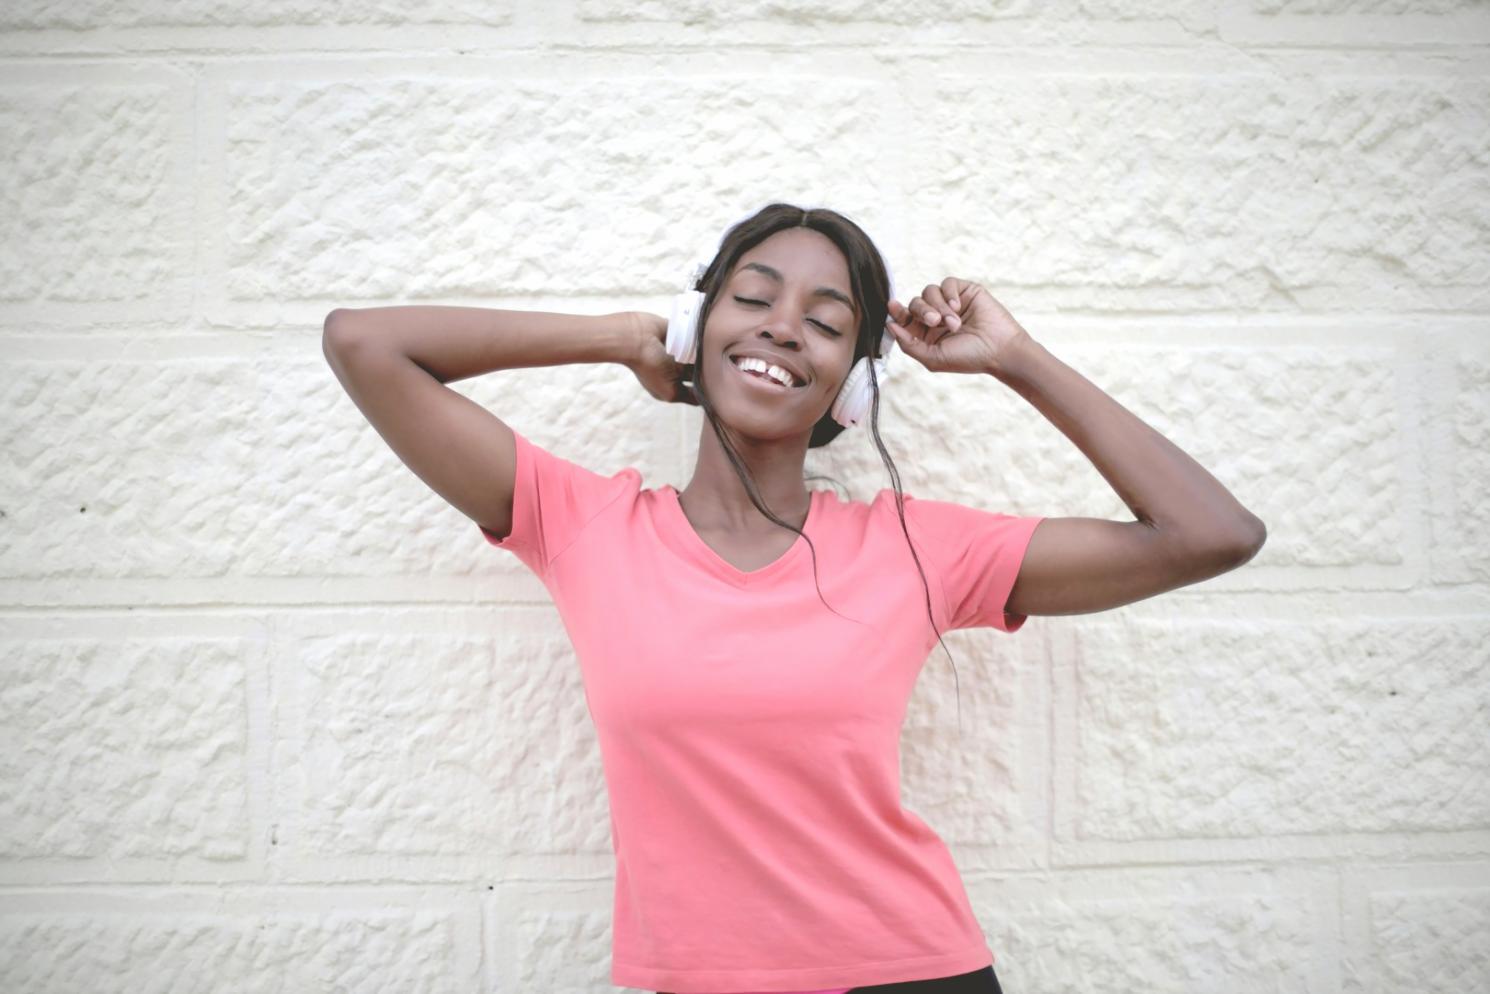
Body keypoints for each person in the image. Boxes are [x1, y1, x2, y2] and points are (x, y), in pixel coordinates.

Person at [322, 203, 1267, 994]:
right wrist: (619, 338)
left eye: (825, 319)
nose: (781, 326)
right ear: (702, 325)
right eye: (752, 298)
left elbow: (1209, 534)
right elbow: (364, 342)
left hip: (910, 973)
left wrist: (1016, 357)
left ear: (852, 385)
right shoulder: (583, 524)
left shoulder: (913, 547)